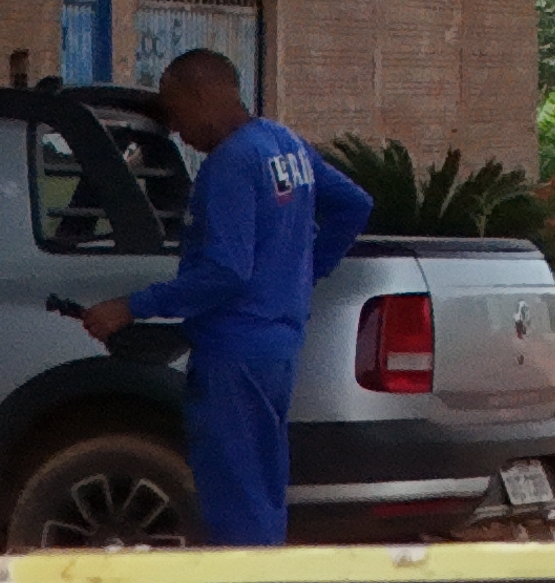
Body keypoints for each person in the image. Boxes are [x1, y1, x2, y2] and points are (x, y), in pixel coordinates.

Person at [71, 48, 369, 544]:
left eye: (176, 111)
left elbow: (223, 273)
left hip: (233, 352)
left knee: (235, 494)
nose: (177, 129)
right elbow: (353, 205)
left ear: (203, 94)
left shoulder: (231, 163)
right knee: (262, 484)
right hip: (277, 346)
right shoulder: (283, 143)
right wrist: (302, 272)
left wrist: (130, 307)